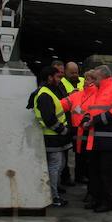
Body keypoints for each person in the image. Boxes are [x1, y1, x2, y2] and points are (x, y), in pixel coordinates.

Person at [81, 64, 112, 212]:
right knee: (94, 172)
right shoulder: (98, 92)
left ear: (104, 77)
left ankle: (107, 202)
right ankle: (96, 199)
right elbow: (90, 110)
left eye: (96, 77)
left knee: (106, 173)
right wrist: (86, 119)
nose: (93, 80)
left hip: (108, 140)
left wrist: (94, 121)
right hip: (95, 139)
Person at [30, 65, 72, 207]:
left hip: (54, 138)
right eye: (58, 77)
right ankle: (53, 197)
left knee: (57, 166)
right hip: (52, 138)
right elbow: (49, 119)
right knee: (55, 167)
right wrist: (63, 130)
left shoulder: (48, 91)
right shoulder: (45, 94)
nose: (60, 79)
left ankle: (52, 194)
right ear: (49, 77)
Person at [60, 69, 98, 204]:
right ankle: (80, 176)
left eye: (89, 79)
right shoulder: (78, 95)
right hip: (78, 131)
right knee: (79, 155)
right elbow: (61, 104)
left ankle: (87, 183)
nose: (86, 81)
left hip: (90, 131)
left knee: (89, 159)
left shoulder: (98, 95)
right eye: (86, 78)